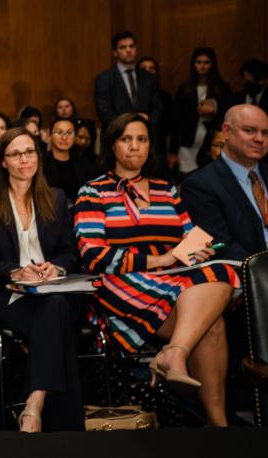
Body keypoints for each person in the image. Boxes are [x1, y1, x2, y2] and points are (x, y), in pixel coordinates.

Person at [75, 113, 238, 426]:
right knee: (212, 321)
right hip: (121, 282)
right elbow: (94, 256)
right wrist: (159, 260)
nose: (135, 147)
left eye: (142, 139)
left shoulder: (168, 189)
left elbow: (190, 237)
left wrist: (195, 251)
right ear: (111, 146)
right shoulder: (93, 191)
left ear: (151, 146)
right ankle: (216, 421)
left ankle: (178, 358)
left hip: (173, 278)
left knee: (222, 275)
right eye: (126, 139)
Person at [0, 128, 82, 432]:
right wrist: (14, 272)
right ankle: (65, 427)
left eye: (30, 152)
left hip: (50, 289)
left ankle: (34, 404)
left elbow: (70, 252)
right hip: (6, 294)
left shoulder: (55, 198)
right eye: (16, 154)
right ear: (3, 161)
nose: (25, 159)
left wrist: (55, 268)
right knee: (58, 318)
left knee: (55, 305)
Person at [182, 104, 268, 260]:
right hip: (246, 276)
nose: (259, 139)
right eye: (249, 130)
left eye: (265, 133)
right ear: (227, 131)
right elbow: (220, 245)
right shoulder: (200, 185)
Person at [170, 48, 231, 177]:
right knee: (187, 177)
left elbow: (230, 115)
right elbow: (176, 121)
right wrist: (172, 151)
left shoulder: (223, 88)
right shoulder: (184, 88)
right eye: (198, 62)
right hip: (188, 142)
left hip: (212, 141)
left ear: (212, 64)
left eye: (206, 62)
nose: (202, 66)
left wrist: (215, 110)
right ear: (193, 64)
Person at [94, 31, 162, 130]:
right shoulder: (104, 79)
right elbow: (104, 112)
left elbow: (158, 107)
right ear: (115, 52)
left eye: (131, 46)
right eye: (123, 47)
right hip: (116, 136)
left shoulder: (149, 78)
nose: (128, 50)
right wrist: (127, 127)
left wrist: (149, 122)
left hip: (146, 133)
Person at [42, 118, 95, 205]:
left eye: (69, 133)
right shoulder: (42, 163)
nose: (64, 137)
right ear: (50, 135)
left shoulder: (83, 163)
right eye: (59, 132)